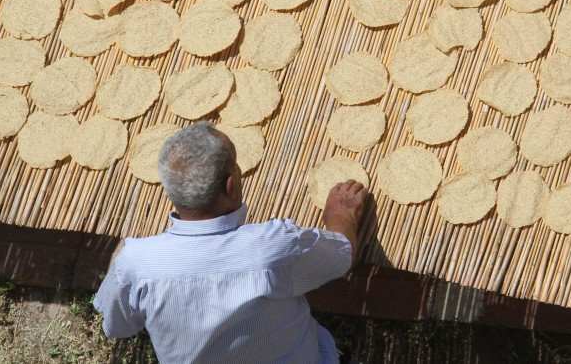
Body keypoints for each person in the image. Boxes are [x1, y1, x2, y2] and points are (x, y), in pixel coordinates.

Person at [93, 121, 367, 363]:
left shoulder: (134, 264)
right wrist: (342, 216)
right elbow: (342, 255)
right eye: (236, 166)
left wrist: (122, 259)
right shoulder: (272, 248)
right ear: (230, 186)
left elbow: (116, 327)